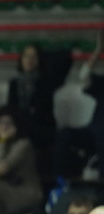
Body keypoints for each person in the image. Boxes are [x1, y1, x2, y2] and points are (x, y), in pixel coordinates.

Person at [53, 31, 104, 181]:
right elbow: (84, 77)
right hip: (93, 133)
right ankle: (60, 182)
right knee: (65, 133)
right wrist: (97, 52)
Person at [7, 44, 56, 151]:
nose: (29, 60)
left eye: (34, 57)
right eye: (26, 56)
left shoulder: (45, 82)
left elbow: (41, 110)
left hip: (39, 125)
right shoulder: (14, 83)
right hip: (18, 122)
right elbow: (11, 107)